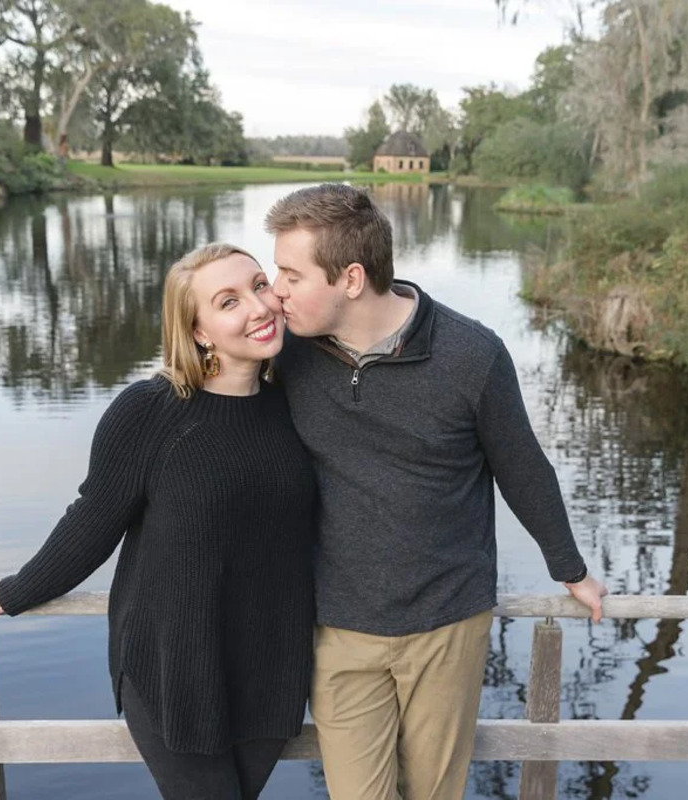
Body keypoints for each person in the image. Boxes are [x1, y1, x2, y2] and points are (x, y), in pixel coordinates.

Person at [264, 184, 609, 800]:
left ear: (349, 278)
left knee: (432, 795)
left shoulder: (470, 354)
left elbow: (521, 466)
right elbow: (214, 408)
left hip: (448, 623)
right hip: (340, 627)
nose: (276, 290)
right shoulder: (284, 354)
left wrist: (571, 568)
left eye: (290, 274)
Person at [0, 242, 316, 800]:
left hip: (269, 672)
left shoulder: (298, 404)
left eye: (260, 285)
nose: (258, 307)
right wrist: (19, 590)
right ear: (199, 330)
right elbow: (94, 517)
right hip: (176, 668)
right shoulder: (150, 411)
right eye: (228, 301)